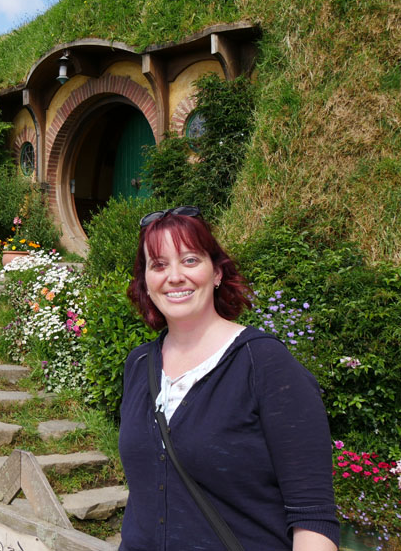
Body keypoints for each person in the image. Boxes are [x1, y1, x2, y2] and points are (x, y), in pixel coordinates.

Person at [118, 206, 339, 551]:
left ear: (217, 272)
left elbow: (313, 518)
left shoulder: (263, 363)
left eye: (190, 260)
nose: (174, 276)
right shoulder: (139, 364)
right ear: (146, 280)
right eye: (159, 265)